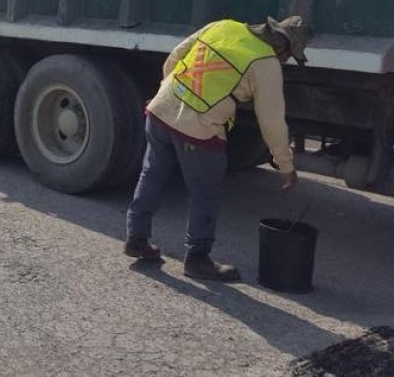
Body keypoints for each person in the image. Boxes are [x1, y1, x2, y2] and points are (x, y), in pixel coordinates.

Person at [124, 16, 313, 282]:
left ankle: (137, 238)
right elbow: (271, 120)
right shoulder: (266, 63)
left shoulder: (224, 26)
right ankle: (198, 258)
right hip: (199, 129)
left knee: (152, 174)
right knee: (205, 193)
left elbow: (176, 57)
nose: (286, 61)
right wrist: (286, 165)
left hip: (161, 109)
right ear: (283, 48)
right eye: (289, 56)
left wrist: (169, 97)